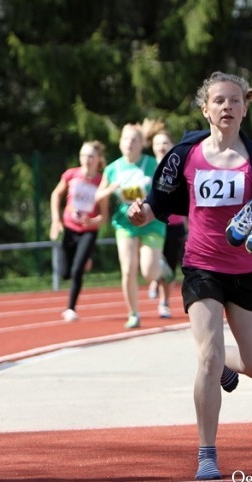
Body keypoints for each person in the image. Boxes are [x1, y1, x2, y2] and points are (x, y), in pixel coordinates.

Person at [128, 70, 252, 481]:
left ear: (245, 108)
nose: (227, 107)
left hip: (245, 271)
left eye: (235, 100)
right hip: (201, 267)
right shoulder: (184, 156)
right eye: (219, 100)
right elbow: (158, 203)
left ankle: (225, 364)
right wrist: (141, 213)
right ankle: (207, 455)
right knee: (207, 356)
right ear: (206, 109)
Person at [95, 123, 166, 328]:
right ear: (120, 143)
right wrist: (109, 191)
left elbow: (166, 190)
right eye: (125, 139)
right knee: (128, 270)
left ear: (142, 144)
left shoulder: (152, 164)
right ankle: (133, 313)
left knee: (149, 273)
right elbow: (98, 195)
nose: (129, 143)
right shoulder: (112, 169)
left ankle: (161, 267)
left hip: (151, 221)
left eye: (134, 140)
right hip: (125, 222)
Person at [50, 141, 109, 321]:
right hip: (69, 228)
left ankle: (70, 308)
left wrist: (91, 221)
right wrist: (55, 220)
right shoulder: (71, 175)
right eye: (83, 155)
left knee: (77, 270)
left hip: (88, 231)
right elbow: (56, 194)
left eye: (91, 156)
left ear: (98, 159)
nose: (86, 160)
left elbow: (104, 216)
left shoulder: (101, 181)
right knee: (65, 272)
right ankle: (83, 259)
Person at [143, 121, 187, 319]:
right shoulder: (146, 168)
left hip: (173, 224)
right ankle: (154, 279)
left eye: (165, 144)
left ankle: (164, 302)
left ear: (172, 146)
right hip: (152, 225)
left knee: (169, 264)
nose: (161, 147)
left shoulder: (179, 168)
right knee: (152, 261)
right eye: (157, 144)